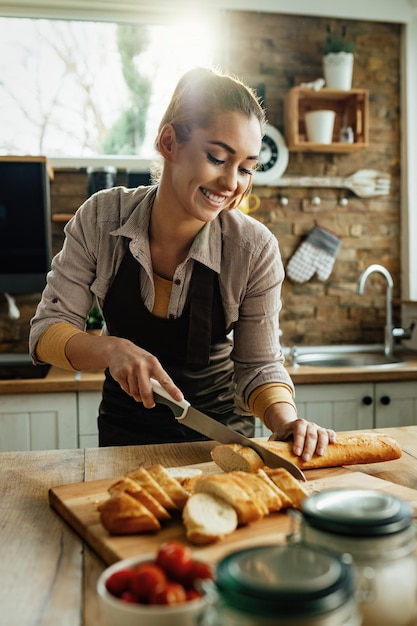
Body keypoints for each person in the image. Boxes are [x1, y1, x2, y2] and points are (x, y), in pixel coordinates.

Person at [29, 67, 336, 460]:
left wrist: (287, 421)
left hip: (222, 446)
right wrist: (110, 349)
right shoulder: (100, 219)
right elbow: (46, 333)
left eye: (245, 168)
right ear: (169, 141)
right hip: (123, 444)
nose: (231, 184)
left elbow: (259, 364)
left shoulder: (253, 248)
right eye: (217, 157)